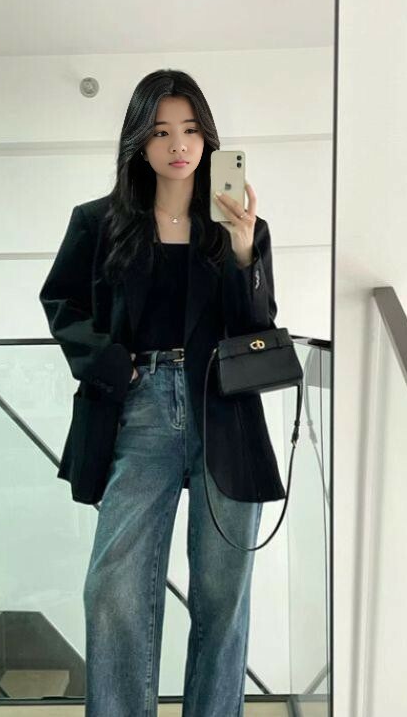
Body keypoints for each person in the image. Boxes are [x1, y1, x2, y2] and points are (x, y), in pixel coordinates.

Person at [39, 69, 286, 717]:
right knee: (113, 589)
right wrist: (111, 364)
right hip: (140, 408)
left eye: (191, 129)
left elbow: (257, 328)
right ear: (139, 143)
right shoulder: (98, 222)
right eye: (161, 131)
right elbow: (61, 302)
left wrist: (242, 252)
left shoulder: (241, 226)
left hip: (223, 409)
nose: (179, 144)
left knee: (222, 600)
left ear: (208, 138)